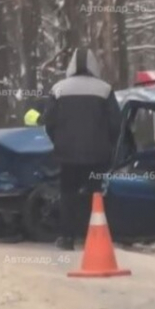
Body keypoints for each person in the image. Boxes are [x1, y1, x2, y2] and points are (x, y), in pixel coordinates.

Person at [43, 47, 122, 250]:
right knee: (95, 194)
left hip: (67, 154)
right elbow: (116, 123)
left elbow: (49, 121)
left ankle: (67, 237)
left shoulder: (59, 89)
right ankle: (94, 237)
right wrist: (108, 144)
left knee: (68, 194)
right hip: (97, 155)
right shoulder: (104, 90)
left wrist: (59, 141)